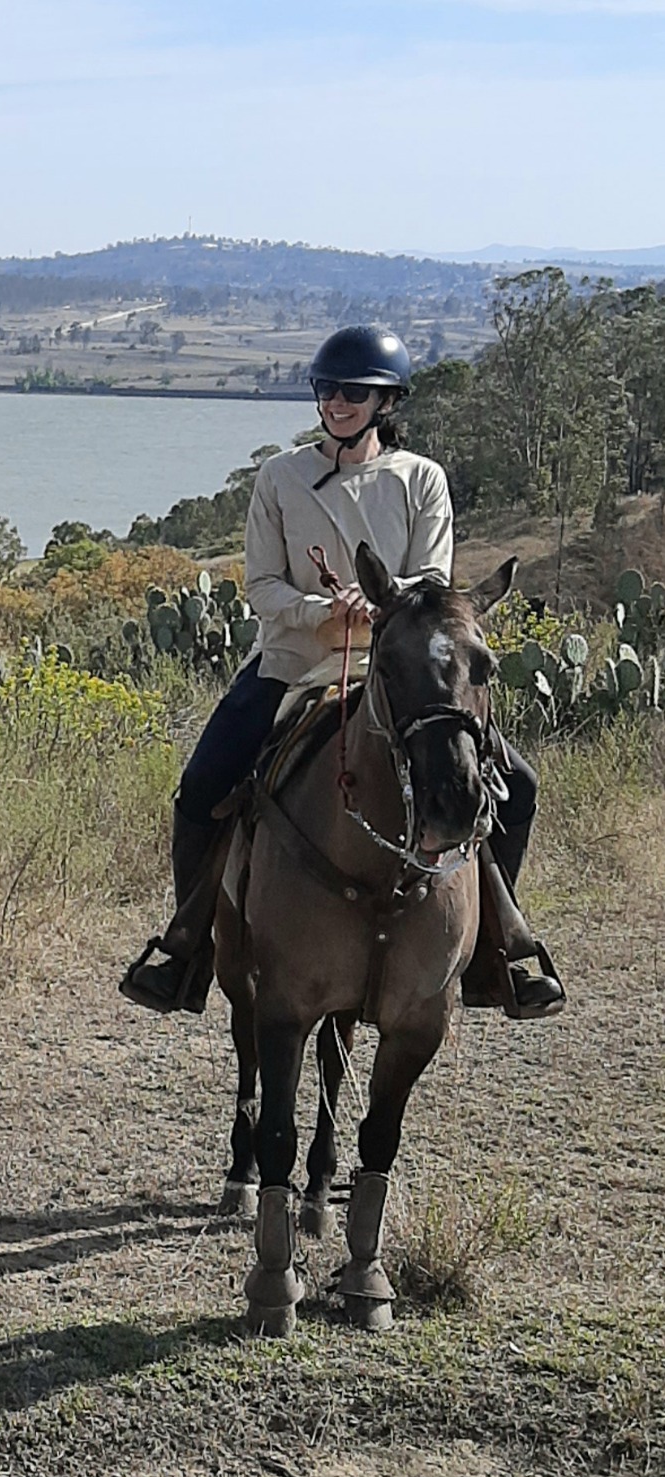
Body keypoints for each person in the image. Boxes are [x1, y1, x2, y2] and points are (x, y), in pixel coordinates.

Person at [118, 324, 564, 1020]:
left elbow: (431, 578)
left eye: (353, 392)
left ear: (386, 402)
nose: (336, 402)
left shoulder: (420, 479)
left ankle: (495, 952)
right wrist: (322, 610)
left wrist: (381, 603)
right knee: (202, 784)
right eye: (327, 389)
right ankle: (188, 948)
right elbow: (261, 585)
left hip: (398, 667)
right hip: (296, 660)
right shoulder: (280, 477)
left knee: (519, 787)